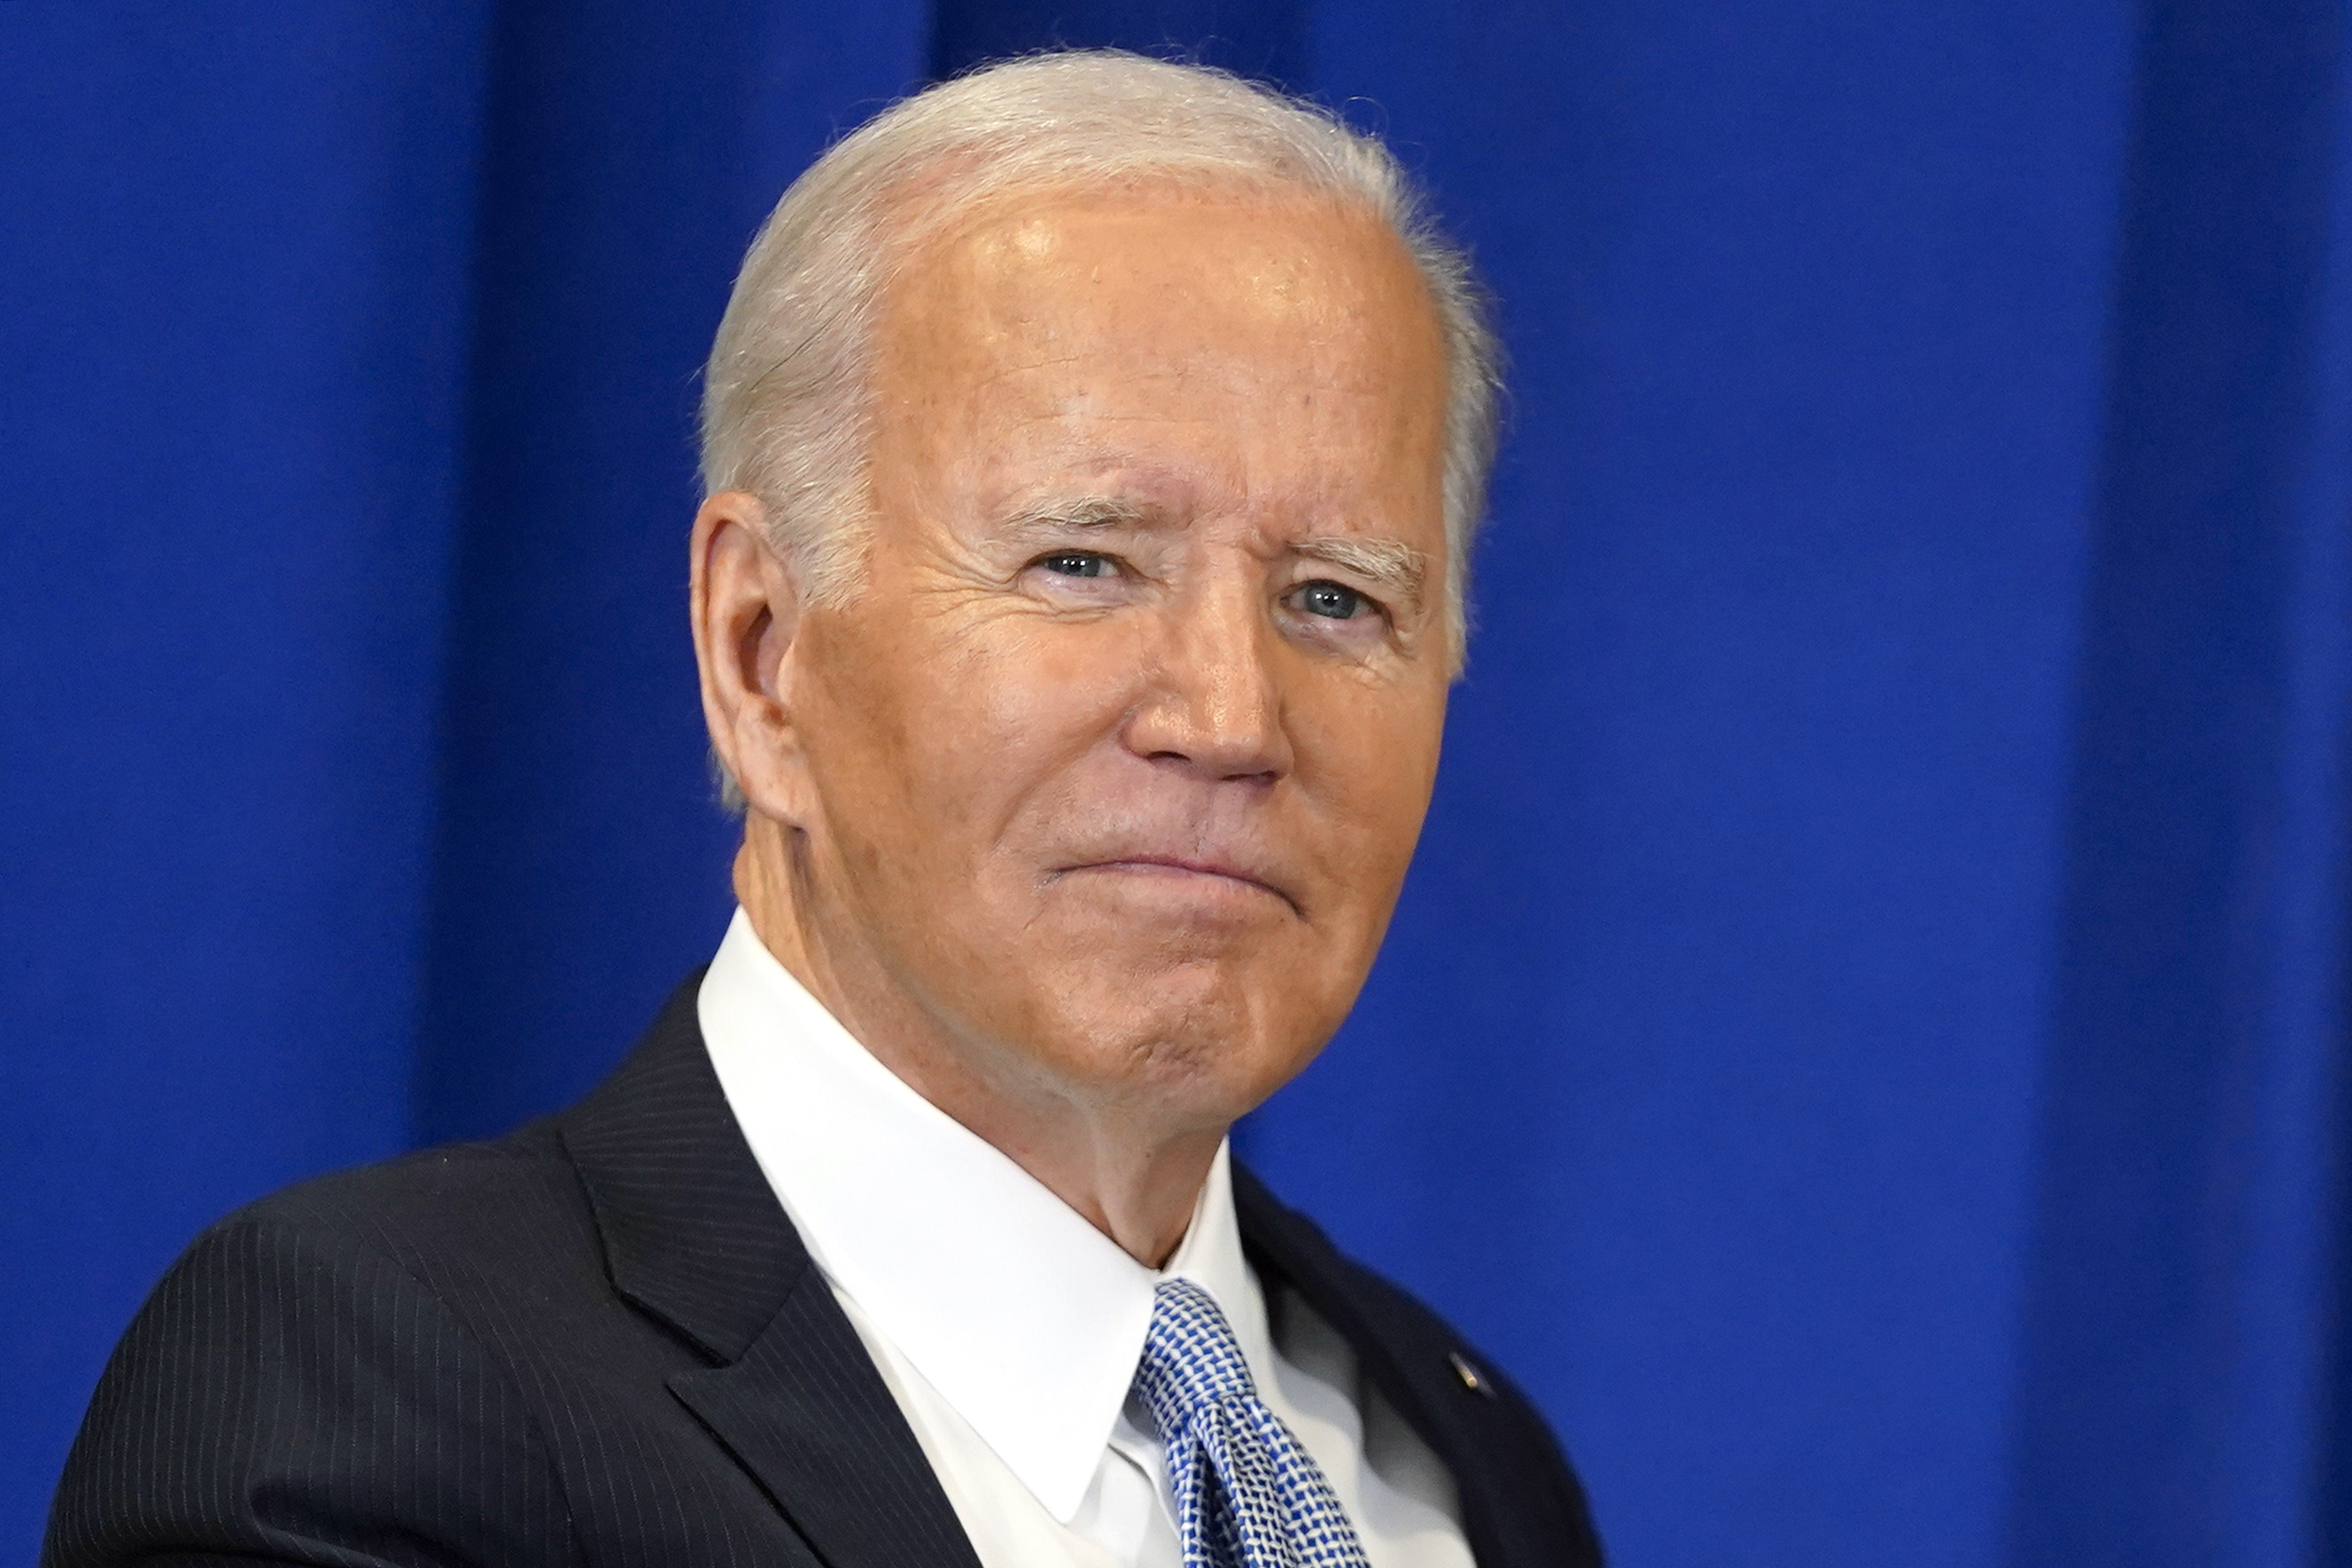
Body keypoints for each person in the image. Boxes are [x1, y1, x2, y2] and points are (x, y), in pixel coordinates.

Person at [44, 51, 1603, 1568]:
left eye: (1335, 597)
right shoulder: (370, 1402)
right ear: (762, 653)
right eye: (1083, 562)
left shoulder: (1460, 1465)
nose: (1229, 719)